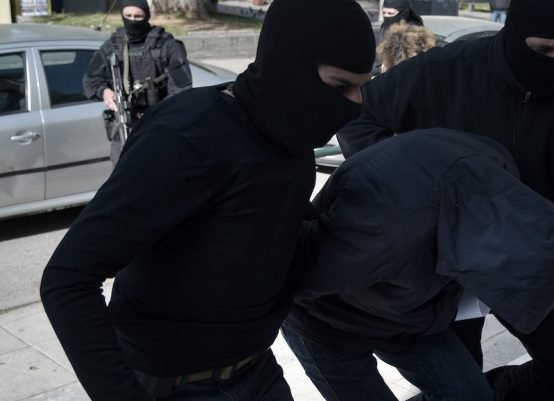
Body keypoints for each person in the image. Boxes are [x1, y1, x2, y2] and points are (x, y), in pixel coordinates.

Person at [39, 0, 375, 399]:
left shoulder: (293, 135)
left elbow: (266, 236)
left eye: (362, 86)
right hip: (175, 384)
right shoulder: (188, 138)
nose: (356, 103)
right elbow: (68, 279)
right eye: (339, 86)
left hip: (258, 370)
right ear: (289, 66)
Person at [334, 0, 554, 399]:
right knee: (458, 375)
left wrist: (544, 234)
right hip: (445, 255)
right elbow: (360, 115)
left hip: (527, 253)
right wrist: (407, 192)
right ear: (515, 36)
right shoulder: (445, 69)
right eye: (542, 49)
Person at [283, 128, 554, 401]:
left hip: (410, 316)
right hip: (326, 324)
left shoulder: (497, 170)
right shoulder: (381, 232)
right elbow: (292, 274)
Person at [83, 0, 193, 165]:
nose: (132, 20)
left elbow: (181, 89)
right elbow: (91, 80)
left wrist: (159, 116)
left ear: (146, 16)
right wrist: (104, 92)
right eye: (128, 16)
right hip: (124, 129)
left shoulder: (166, 45)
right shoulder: (112, 46)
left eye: (138, 16)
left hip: (160, 127)